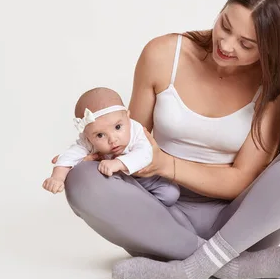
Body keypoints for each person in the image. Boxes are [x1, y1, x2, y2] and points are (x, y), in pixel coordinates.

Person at [60, 0, 280, 279]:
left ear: (271, 49)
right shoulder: (163, 55)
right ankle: (232, 266)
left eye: (246, 44)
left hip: (241, 225)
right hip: (160, 217)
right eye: (225, 24)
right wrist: (93, 153)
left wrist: (167, 164)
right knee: (81, 179)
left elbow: (240, 180)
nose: (225, 44)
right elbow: (132, 139)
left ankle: (190, 271)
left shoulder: (273, 88)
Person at [43, 87, 180, 206]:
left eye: (118, 127)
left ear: (128, 117)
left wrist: (118, 163)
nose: (113, 140)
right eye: (100, 135)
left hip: (151, 180)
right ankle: (139, 206)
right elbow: (71, 155)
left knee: (171, 193)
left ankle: (154, 209)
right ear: (87, 135)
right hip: (124, 184)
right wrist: (57, 177)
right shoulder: (88, 141)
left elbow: (145, 154)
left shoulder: (136, 130)